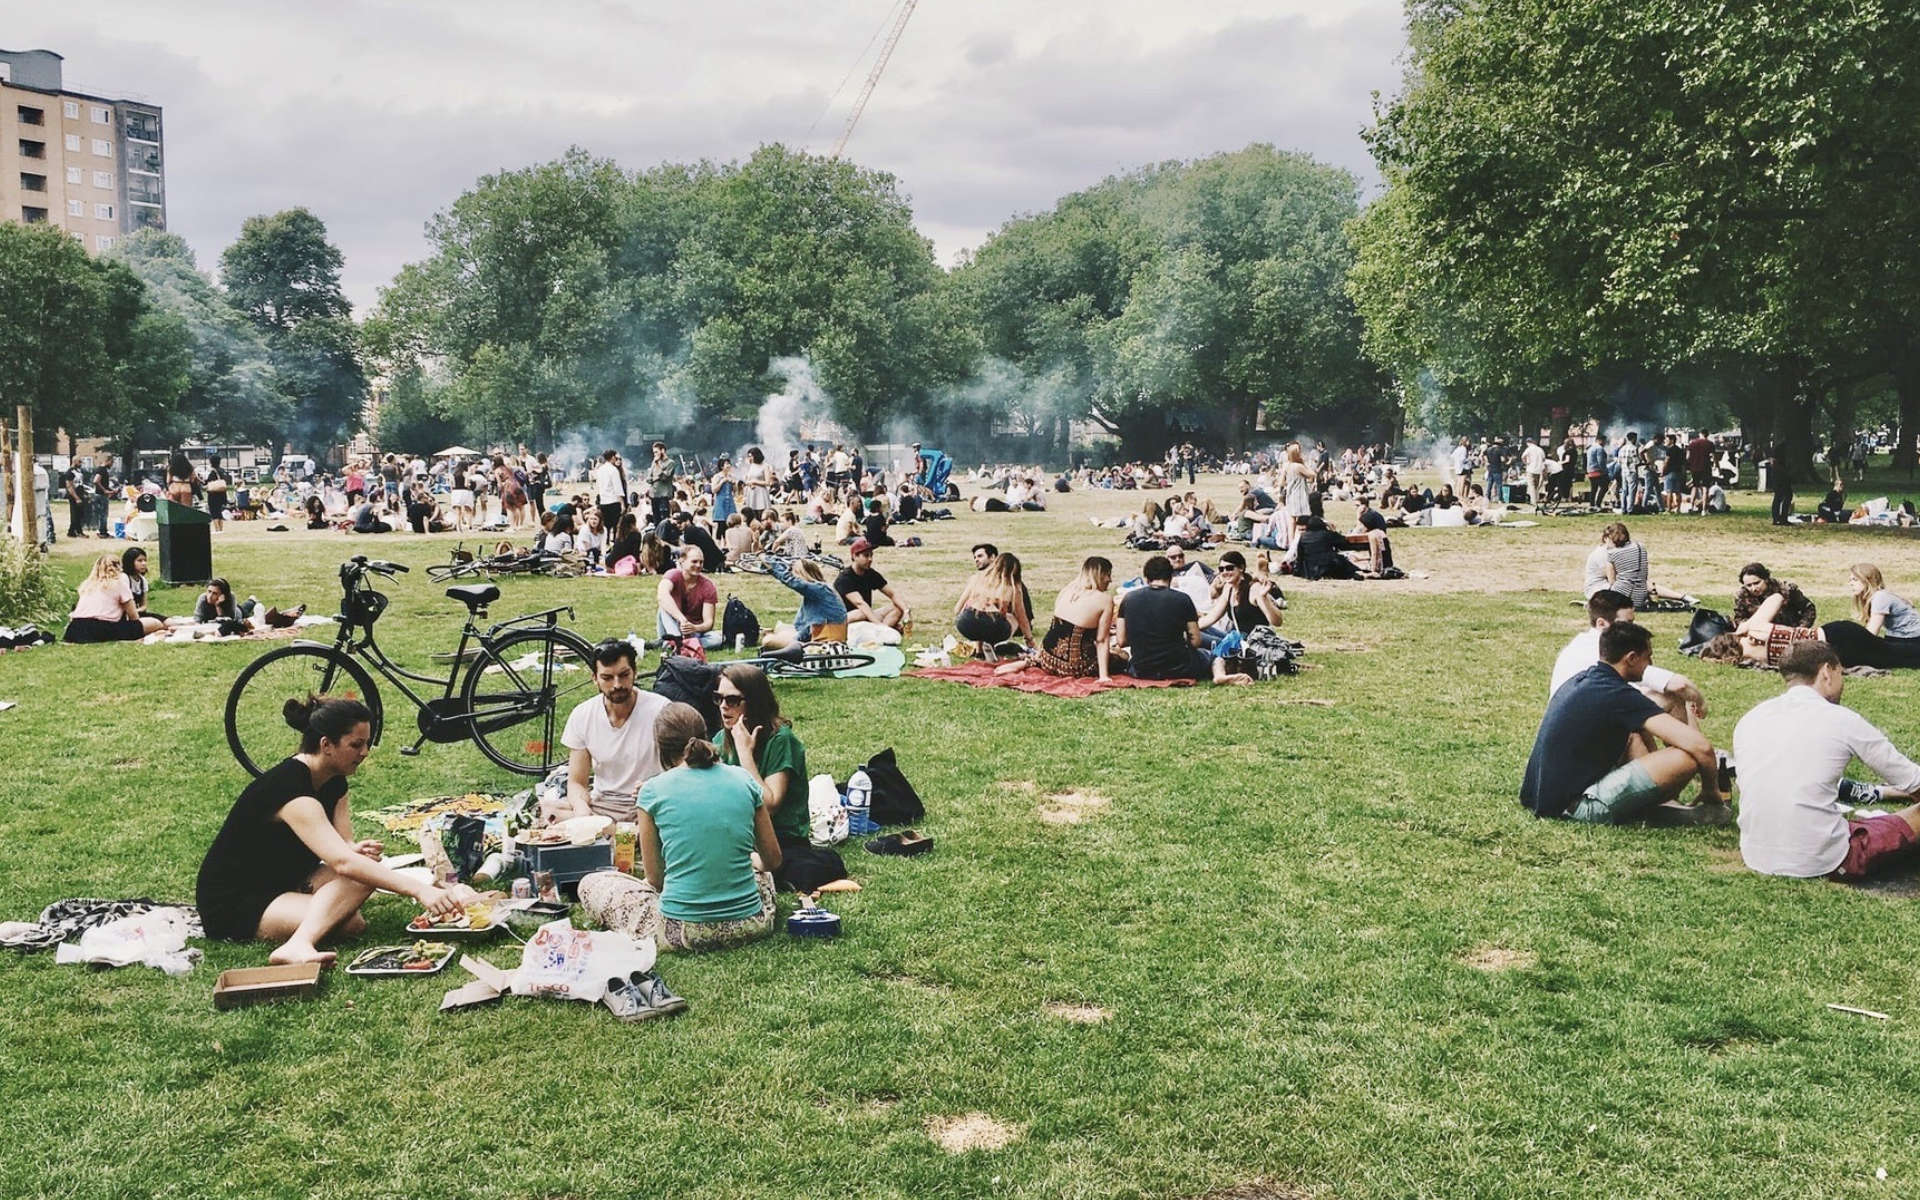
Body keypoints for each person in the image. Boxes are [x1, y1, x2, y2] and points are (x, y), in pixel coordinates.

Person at [196, 697, 472, 965]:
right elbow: (342, 862)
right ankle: (296, 945)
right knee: (349, 919)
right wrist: (420, 891)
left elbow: (344, 849)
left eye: (366, 744)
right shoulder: (292, 791)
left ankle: (306, 920)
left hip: (286, 881)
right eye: (356, 745)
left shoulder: (334, 781)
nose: (364, 752)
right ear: (326, 745)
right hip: (236, 902)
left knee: (361, 884)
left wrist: (354, 850)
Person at [1733, 641, 1920, 880]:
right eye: (1841, 674)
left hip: (1755, 853)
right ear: (1826, 673)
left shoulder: (1751, 718)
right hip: (1823, 860)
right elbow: (1913, 781)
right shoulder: (1842, 720)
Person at [1520, 621, 1726, 823]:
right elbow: (1701, 747)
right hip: (1576, 806)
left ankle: (1659, 803)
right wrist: (1711, 791)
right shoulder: (1618, 695)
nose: (1651, 665)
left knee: (1632, 735)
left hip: (1543, 797)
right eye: (1649, 658)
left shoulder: (1586, 679)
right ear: (1631, 658)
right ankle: (1654, 807)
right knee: (1686, 757)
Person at [637, 702, 783, 951]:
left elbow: (655, 879)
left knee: (597, 882)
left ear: (660, 748)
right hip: (750, 923)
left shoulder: (652, 791)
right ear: (706, 735)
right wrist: (754, 861)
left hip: (682, 931)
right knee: (762, 877)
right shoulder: (744, 779)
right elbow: (773, 860)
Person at [713, 664, 813, 888]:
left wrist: (745, 754)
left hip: (780, 839)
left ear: (754, 702)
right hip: (740, 836)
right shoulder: (721, 738)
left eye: (732, 700)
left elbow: (770, 804)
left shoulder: (780, 740)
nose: (723, 706)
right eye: (718, 698)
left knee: (801, 868)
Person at [1550, 590, 1707, 725]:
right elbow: (1678, 685)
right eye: (1627, 623)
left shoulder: (1582, 643)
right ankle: (1694, 754)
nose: (1632, 629)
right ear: (1601, 623)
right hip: (1584, 720)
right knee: (1672, 697)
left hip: (1569, 718)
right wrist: (1700, 702)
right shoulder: (1611, 649)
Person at [563, 640, 672, 823]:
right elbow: (576, 782)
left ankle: (619, 834)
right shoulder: (582, 715)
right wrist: (582, 810)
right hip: (604, 805)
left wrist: (655, 790)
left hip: (650, 803)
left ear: (634, 672)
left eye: (624, 675)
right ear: (594, 678)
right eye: (607, 678)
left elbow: (680, 771)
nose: (617, 685)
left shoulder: (661, 710)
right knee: (550, 810)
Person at [1115, 555, 1250, 685]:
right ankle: (1219, 675)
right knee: (1214, 656)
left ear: (1146, 578)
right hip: (1179, 667)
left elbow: (1121, 641)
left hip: (1142, 669)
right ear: (1171, 576)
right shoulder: (1182, 599)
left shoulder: (1128, 599)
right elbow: (1196, 641)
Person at [996, 555, 1116, 682]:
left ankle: (1029, 662)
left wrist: (1039, 657)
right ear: (1099, 575)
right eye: (1108, 574)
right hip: (1075, 667)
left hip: (1047, 660)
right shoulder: (1105, 600)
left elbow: (1056, 629)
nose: (1110, 580)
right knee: (1121, 657)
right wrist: (1104, 676)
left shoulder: (1067, 590)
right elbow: (1102, 640)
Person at [63, 554, 159, 642]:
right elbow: (133, 616)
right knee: (154, 623)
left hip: (74, 629)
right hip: (102, 628)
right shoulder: (119, 583)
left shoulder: (87, 585)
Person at [954, 552, 1035, 653]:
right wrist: (1029, 640)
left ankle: (979, 650)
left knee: (979, 612)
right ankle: (989, 644)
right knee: (1013, 618)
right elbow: (1022, 618)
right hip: (994, 627)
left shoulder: (976, 578)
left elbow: (957, 609)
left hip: (965, 623)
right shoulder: (1013, 588)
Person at [761, 557, 847, 651]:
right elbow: (803, 628)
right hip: (818, 642)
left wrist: (763, 557)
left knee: (768, 640)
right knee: (780, 629)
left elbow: (791, 581)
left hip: (825, 647)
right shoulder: (820, 594)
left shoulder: (821, 591)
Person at [656, 543, 722, 650]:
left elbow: (708, 623)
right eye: (694, 561)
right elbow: (662, 595)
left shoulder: (708, 586)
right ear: (682, 561)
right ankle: (677, 640)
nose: (698, 565)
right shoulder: (673, 575)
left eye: (701, 562)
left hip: (694, 632)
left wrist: (694, 628)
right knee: (664, 606)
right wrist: (682, 619)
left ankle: (676, 644)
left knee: (716, 639)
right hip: (672, 626)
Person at [834, 538, 909, 630]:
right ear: (854, 556)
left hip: (866, 615)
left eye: (871, 555)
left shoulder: (870, 573)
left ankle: (882, 631)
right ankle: (882, 629)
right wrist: (877, 623)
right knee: (860, 613)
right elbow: (860, 603)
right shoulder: (845, 578)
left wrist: (906, 611)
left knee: (897, 607)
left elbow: (892, 594)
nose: (870, 559)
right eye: (866, 555)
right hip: (845, 619)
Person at [1731, 563, 1816, 635]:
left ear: (1766, 579)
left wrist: (1801, 628)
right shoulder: (1742, 596)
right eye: (1749, 585)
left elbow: (1808, 608)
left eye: (1757, 583)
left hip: (1789, 632)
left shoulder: (1786, 589)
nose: (1753, 588)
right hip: (1759, 634)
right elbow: (1739, 619)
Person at [193, 577, 302, 630]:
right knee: (245, 606)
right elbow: (197, 619)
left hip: (238, 612)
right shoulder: (202, 599)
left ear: (222, 595)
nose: (210, 596)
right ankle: (251, 601)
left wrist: (218, 606)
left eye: (215, 593)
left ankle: (252, 601)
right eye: (209, 591)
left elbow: (229, 621)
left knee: (246, 609)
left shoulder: (230, 597)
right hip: (218, 619)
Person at [1582, 522, 1648, 606]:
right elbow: (1613, 581)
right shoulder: (1639, 547)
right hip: (1599, 588)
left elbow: (1613, 580)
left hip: (1617, 594)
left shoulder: (1613, 553)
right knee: (1640, 583)